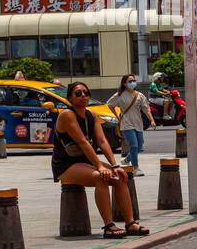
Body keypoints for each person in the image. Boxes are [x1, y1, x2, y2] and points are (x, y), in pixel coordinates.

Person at [52, 82, 147, 238]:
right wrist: (100, 167)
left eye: (86, 92)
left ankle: (130, 223)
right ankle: (109, 226)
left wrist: (115, 165)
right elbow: (82, 142)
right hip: (66, 165)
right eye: (78, 93)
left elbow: (102, 142)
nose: (83, 95)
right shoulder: (67, 115)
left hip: (86, 162)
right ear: (70, 98)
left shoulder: (92, 116)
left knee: (120, 177)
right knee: (101, 177)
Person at [108, 74, 156, 176]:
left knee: (139, 146)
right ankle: (135, 168)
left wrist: (152, 120)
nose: (132, 83)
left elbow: (146, 109)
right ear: (124, 83)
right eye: (129, 81)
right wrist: (117, 116)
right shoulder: (119, 95)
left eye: (133, 80)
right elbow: (110, 104)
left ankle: (126, 160)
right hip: (126, 124)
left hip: (138, 124)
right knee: (134, 145)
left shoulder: (140, 95)